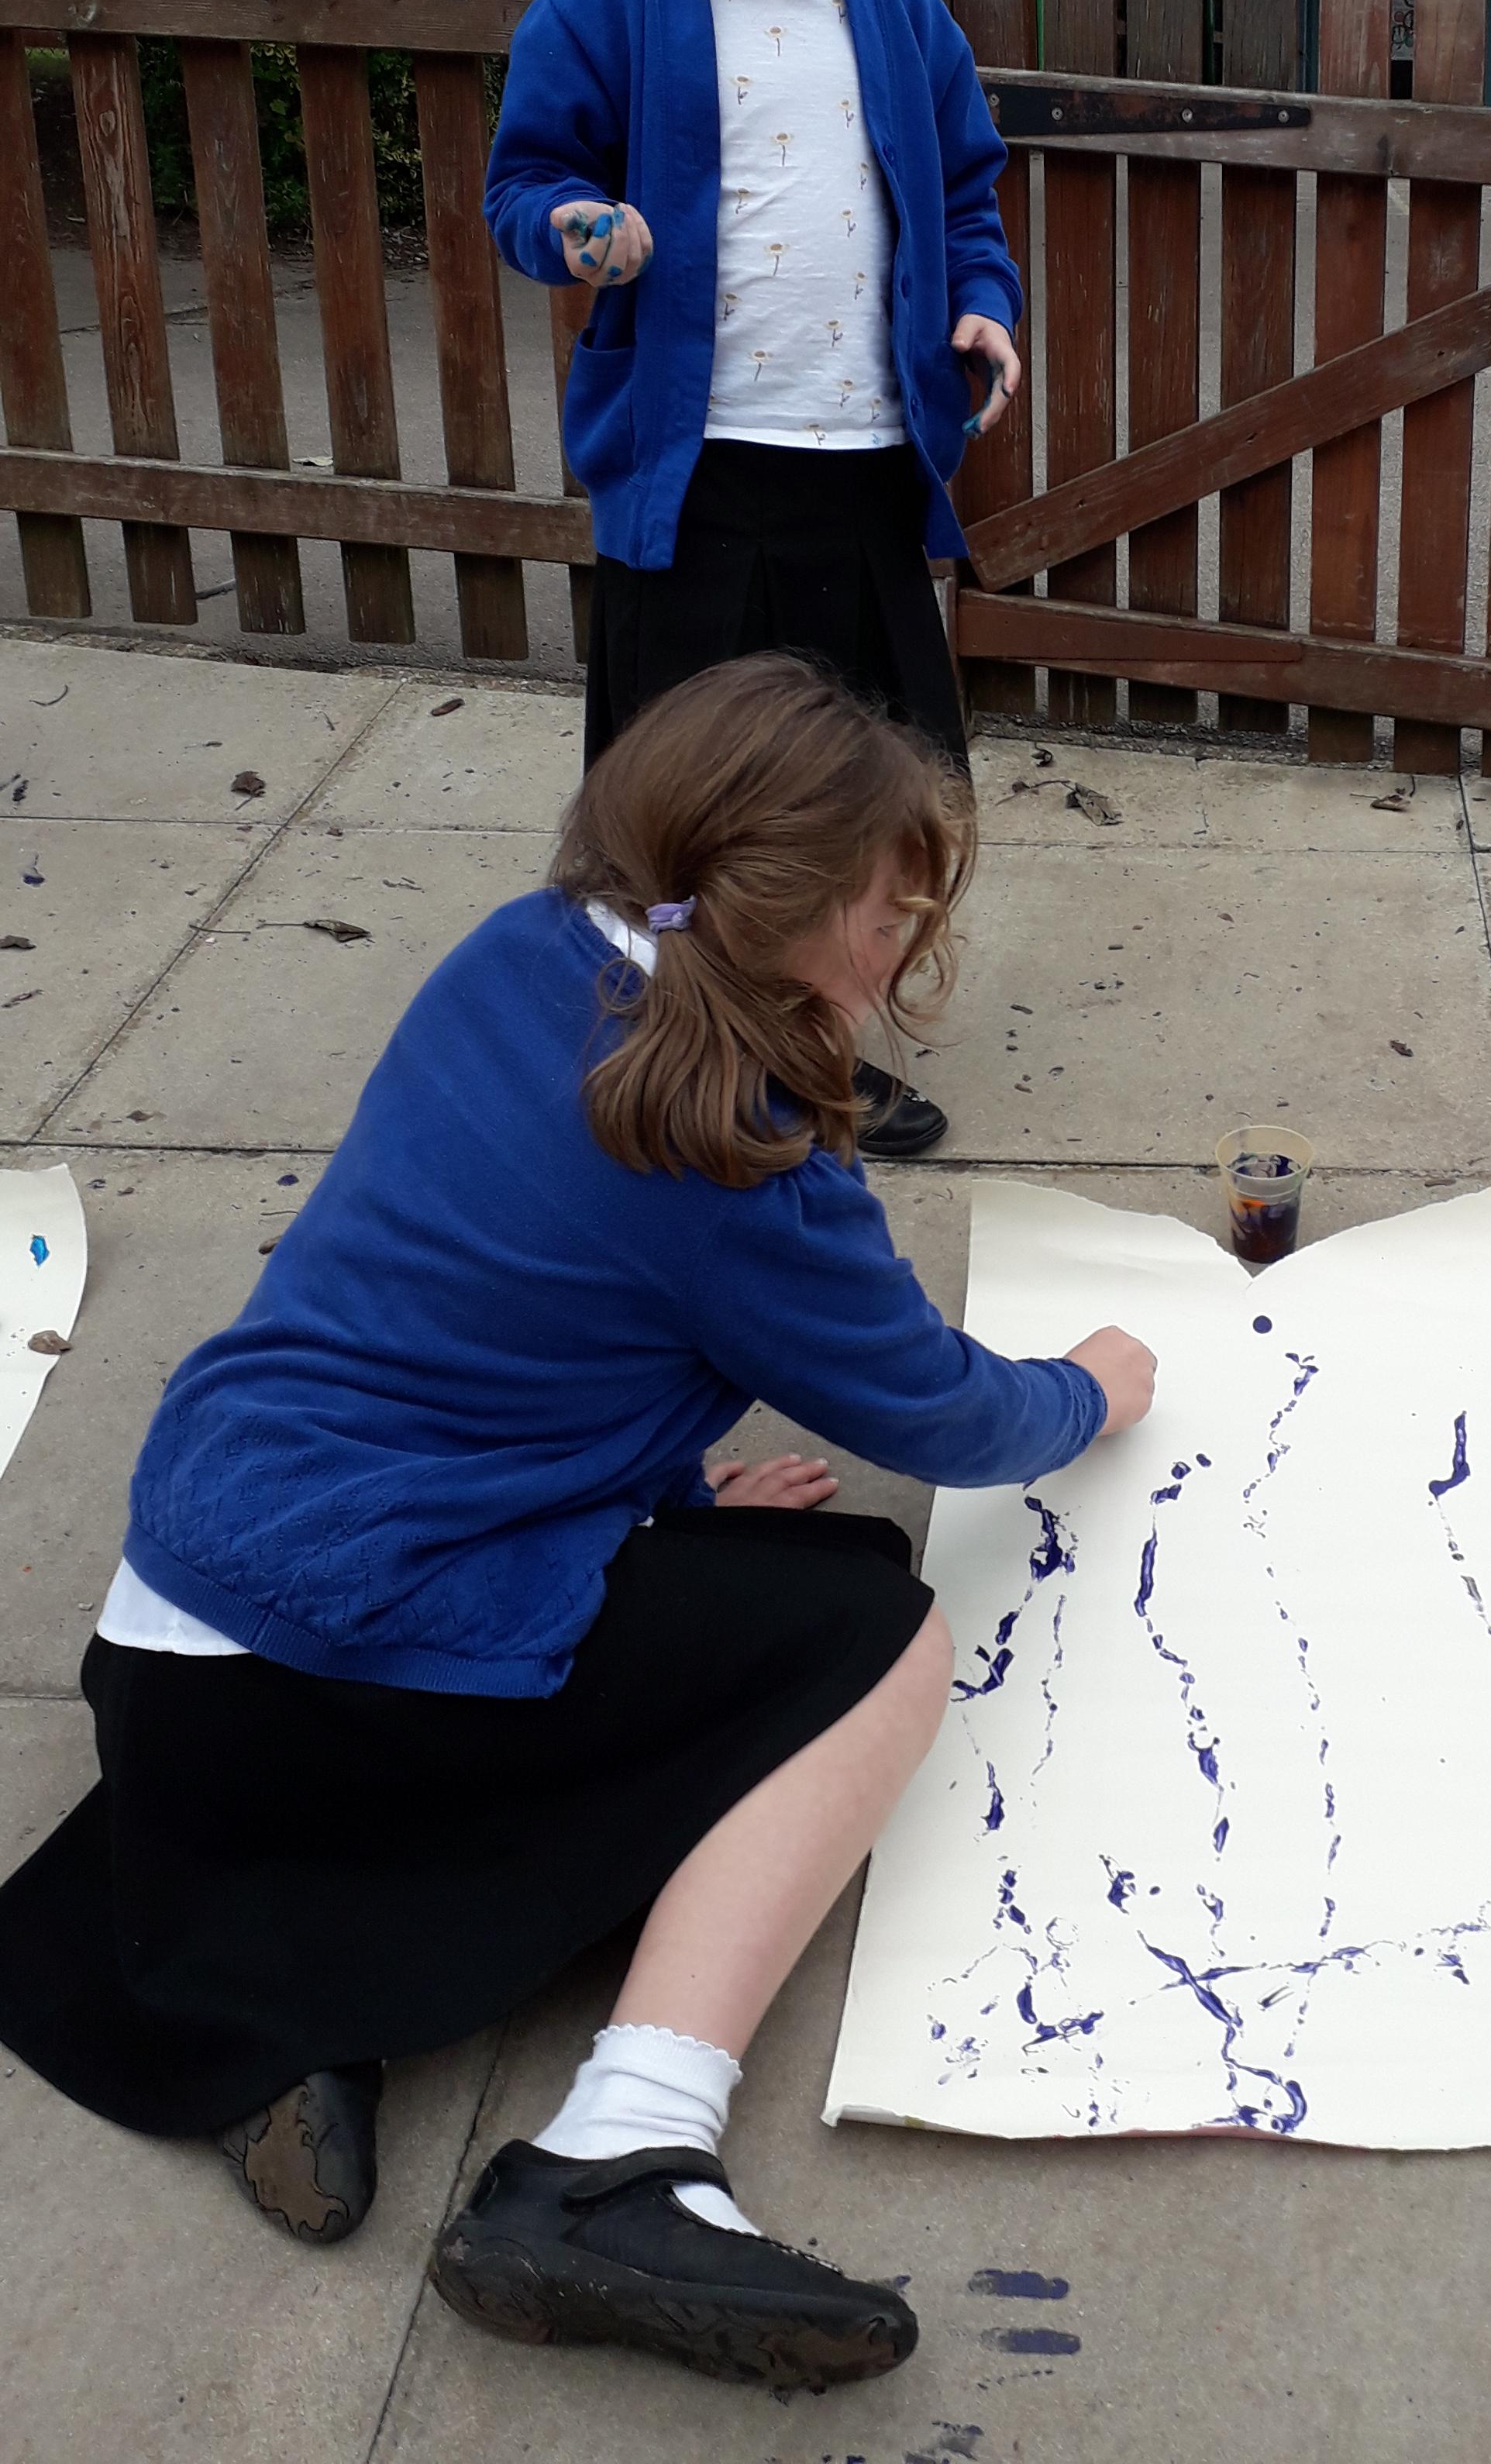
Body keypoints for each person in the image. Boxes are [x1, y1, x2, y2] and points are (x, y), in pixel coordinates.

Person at [0, 657, 1155, 2400]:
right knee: (875, 1633)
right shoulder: (738, 1144)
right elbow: (941, 1415)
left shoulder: (515, 954)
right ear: (805, 917)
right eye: (894, 909)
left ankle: (289, 2004)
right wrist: (1090, 1389)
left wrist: (658, 1492)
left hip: (177, 1629)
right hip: (333, 1676)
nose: (909, 940)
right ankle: (623, 2156)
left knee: (763, 1572)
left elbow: (492, 1312)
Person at [485, 0, 1026, 1160]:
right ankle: (681, 1049)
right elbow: (524, 184)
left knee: (866, 802)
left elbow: (967, 193)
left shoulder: (898, 14)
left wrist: (982, 305)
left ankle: (814, 1053)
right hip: (698, 492)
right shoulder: (602, 10)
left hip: (864, 481)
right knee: (686, 807)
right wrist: (577, 227)